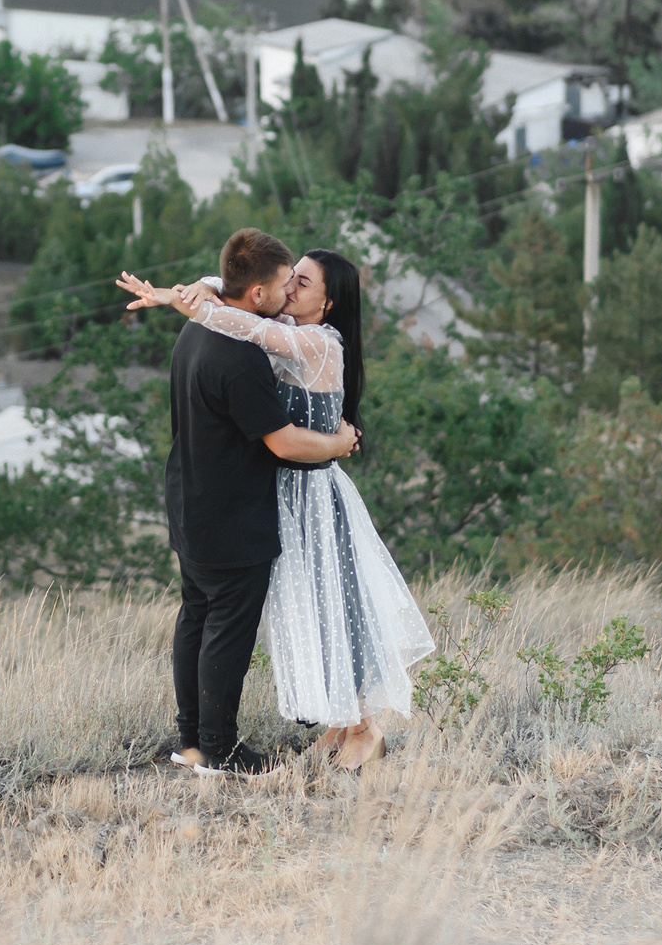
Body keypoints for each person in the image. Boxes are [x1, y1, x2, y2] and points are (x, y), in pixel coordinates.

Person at [120, 247, 432, 772]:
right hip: (277, 500)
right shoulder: (273, 319)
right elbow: (236, 289)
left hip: (311, 500)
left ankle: (360, 728)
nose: (289, 291)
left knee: (333, 610)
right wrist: (195, 287)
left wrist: (181, 300)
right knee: (307, 613)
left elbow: (253, 325)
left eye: (301, 284)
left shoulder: (312, 340)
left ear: (328, 304)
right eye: (288, 281)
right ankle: (331, 725)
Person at [152, 229, 360, 778]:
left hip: (188, 499)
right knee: (227, 631)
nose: (289, 290)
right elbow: (283, 441)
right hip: (231, 513)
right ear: (261, 294)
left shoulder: (196, 331)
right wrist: (340, 443)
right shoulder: (242, 355)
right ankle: (218, 750)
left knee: (196, 617)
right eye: (283, 282)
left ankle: (191, 740)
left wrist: (188, 292)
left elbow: (224, 294)